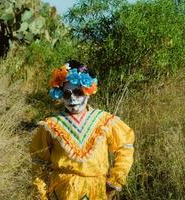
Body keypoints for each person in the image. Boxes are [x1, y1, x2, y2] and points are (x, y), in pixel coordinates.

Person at [30, 60, 135, 200]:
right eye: (67, 94)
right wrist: (41, 194)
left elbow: (125, 147)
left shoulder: (104, 120)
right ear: (60, 94)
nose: (73, 98)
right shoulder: (51, 125)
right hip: (62, 192)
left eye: (78, 92)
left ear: (87, 92)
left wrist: (116, 178)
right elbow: (39, 161)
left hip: (97, 191)